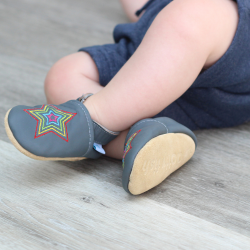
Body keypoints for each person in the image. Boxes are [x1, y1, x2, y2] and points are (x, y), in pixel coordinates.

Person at [5, 0, 250, 195]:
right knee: (64, 75)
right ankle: (149, 140)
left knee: (194, 13)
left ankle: (95, 118)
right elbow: (138, 10)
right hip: (157, 60)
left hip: (231, 42)